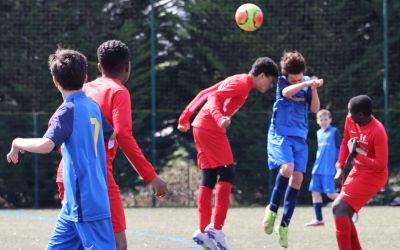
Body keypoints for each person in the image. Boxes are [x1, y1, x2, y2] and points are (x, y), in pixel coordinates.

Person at [55, 40, 168, 250]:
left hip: (67, 176)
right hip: (97, 179)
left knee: (77, 243)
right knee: (116, 245)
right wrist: (151, 177)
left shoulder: (83, 89)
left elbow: (58, 126)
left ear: (99, 67)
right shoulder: (118, 91)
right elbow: (123, 135)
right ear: (128, 67)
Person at [7, 48, 116, 249]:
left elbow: (46, 145)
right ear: (85, 77)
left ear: (55, 81)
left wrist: (17, 142)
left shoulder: (67, 110)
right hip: (74, 203)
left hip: (87, 200)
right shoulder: (93, 106)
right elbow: (111, 135)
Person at [178, 57, 279, 250]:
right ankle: (215, 229)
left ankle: (203, 230)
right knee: (227, 174)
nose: (270, 85)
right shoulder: (242, 84)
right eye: (270, 80)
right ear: (262, 75)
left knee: (208, 177)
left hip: (201, 127)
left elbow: (206, 92)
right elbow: (213, 98)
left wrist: (185, 116)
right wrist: (219, 118)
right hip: (210, 128)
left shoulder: (240, 80)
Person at [262, 51, 323, 248]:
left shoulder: (306, 83)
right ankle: (272, 209)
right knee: (287, 169)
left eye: (299, 77)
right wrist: (305, 83)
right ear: (287, 75)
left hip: (300, 136)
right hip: (281, 134)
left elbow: (314, 109)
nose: (296, 80)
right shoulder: (282, 82)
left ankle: (284, 225)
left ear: (303, 72)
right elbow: (286, 93)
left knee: (297, 178)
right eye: (293, 78)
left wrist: (313, 88)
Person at [332, 95, 388, 250]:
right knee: (345, 214)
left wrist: (357, 154)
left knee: (338, 209)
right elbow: (345, 141)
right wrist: (340, 165)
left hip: (374, 175)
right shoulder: (351, 119)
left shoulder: (378, 130)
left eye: (351, 113)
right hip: (358, 171)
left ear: (361, 115)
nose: (349, 115)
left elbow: (381, 165)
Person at [305, 109, 341, 226]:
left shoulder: (334, 131)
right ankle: (319, 219)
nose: (323, 121)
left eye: (326, 119)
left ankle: (352, 207)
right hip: (317, 168)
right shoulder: (319, 133)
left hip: (329, 168)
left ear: (330, 120)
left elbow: (341, 148)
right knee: (315, 192)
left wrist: (340, 164)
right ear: (317, 121)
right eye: (321, 119)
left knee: (330, 194)